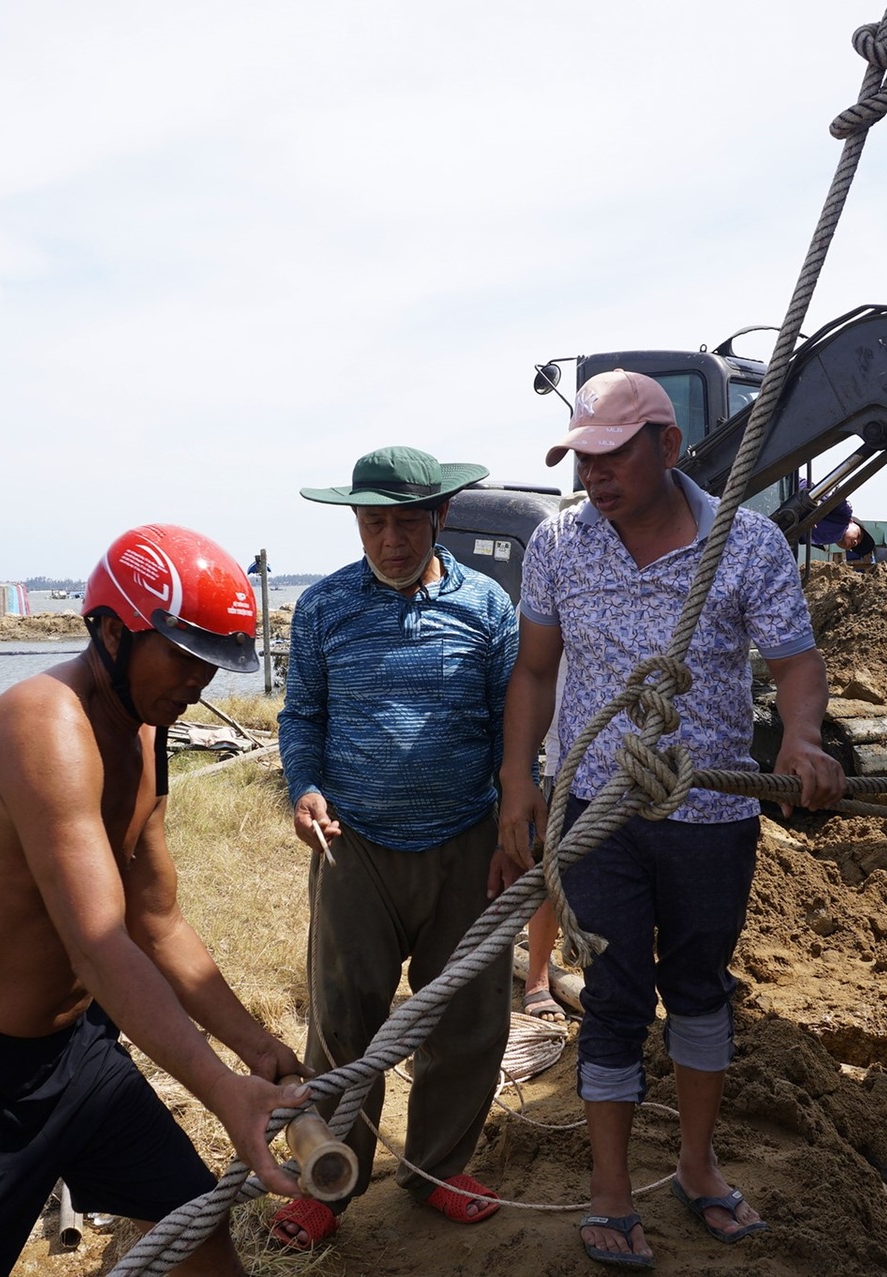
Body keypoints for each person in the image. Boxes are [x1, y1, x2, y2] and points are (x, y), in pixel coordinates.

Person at [0, 525, 309, 1277]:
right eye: (182, 653)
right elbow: (99, 945)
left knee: (194, 1223)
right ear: (108, 631)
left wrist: (256, 1048)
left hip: (71, 1053)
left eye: (213, 663)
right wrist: (224, 1091)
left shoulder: (144, 731)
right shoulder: (46, 726)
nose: (199, 680)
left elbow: (154, 920)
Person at [495, 370, 846, 1269]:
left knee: (699, 983)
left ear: (666, 447)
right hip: (600, 809)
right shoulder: (559, 546)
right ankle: (611, 1190)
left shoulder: (747, 544)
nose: (594, 478)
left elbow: (796, 667)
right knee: (613, 996)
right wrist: (520, 783)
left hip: (714, 809)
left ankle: (695, 1163)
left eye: (612, 457)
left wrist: (801, 741)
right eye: (582, 460)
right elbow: (535, 671)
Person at [272, 446, 519, 1250]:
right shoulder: (324, 608)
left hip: (466, 842)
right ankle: (330, 1177)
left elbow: (516, 722)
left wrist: (518, 811)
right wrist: (302, 785)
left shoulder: (486, 606)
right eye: (374, 522)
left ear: (440, 518)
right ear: (355, 522)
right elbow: (301, 715)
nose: (390, 540)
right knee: (345, 1021)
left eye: (407, 522)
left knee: (468, 1017)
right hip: (356, 850)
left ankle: (439, 1167)